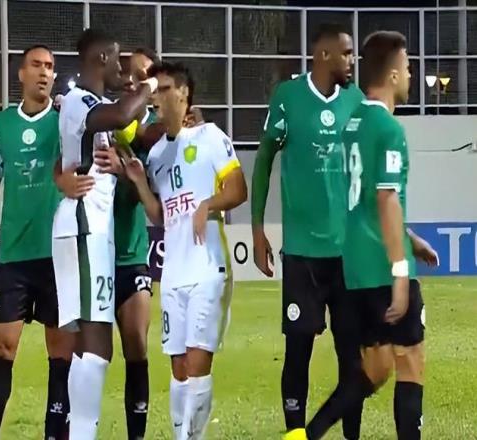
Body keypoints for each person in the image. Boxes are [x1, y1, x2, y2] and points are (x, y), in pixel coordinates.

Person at [305, 30, 438, 440]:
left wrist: (411, 239)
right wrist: (400, 270)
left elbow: (364, 199)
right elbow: (385, 198)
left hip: (357, 266)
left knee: (376, 367)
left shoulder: (352, 125)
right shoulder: (388, 129)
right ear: (393, 74)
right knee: (410, 360)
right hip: (384, 263)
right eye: (408, 67)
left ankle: (308, 434)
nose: (411, 75)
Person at [250, 23, 364, 440]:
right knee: (298, 351)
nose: (352, 61)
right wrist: (258, 229)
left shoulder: (356, 101)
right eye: (346, 53)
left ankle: (351, 436)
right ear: (323, 55)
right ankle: (295, 435)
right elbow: (264, 159)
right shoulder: (288, 97)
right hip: (302, 254)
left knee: (352, 356)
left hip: (349, 253)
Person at [122, 61, 247, 440]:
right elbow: (161, 215)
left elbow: (238, 189)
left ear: (183, 93)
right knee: (178, 368)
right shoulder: (157, 154)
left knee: (196, 364)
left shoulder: (210, 136)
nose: (156, 98)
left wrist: (208, 204)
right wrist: (139, 182)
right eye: (154, 92)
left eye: (163, 89)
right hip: (173, 272)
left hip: (208, 269)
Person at [51, 29, 156, 440]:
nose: (121, 71)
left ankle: (79, 433)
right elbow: (124, 114)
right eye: (116, 61)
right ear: (100, 59)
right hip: (84, 227)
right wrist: (149, 86)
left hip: (90, 230)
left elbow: (70, 156)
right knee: (97, 348)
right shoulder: (81, 101)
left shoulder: (86, 105)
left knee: (88, 348)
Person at [0, 45, 74, 440]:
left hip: (58, 255)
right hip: (14, 256)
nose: (45, 72)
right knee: (2, 350)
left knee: (61, 354)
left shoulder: (65, 120)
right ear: (21, 73)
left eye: (50, 67)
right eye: (37, 65)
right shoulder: (2, 124)